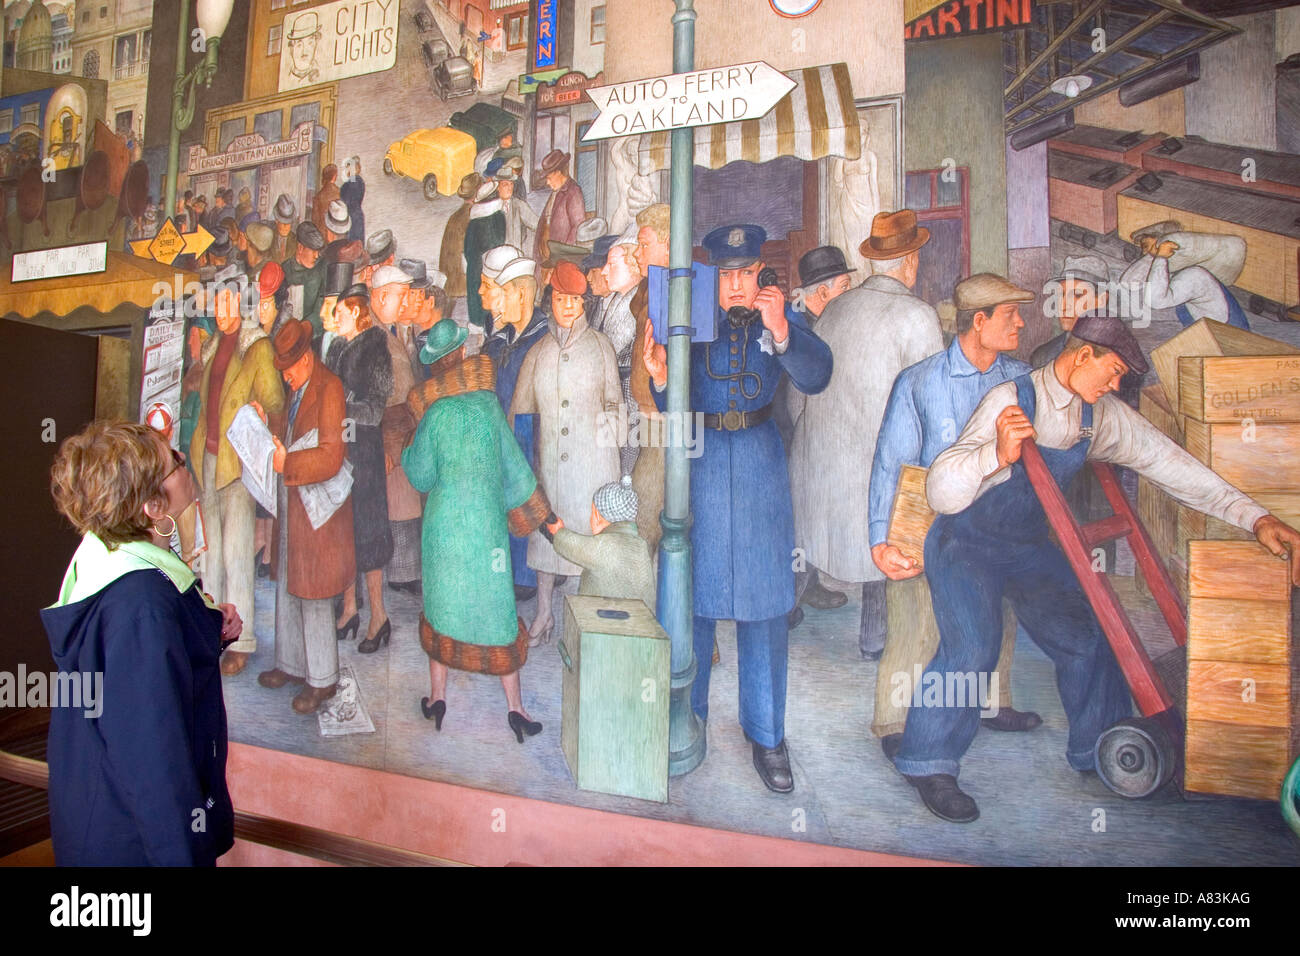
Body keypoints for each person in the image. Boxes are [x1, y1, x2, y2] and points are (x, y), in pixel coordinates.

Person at [897, 313, 1300, 822]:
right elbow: (940, 490)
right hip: (965, 543)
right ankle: (928, 761)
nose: (1115, 385)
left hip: (1024, 546)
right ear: (1082, 354)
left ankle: (1103, 750)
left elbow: (1172, 465)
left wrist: (1257, 517)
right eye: (1112, 372)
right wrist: (994, 455)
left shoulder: (1099, 415)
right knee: (972, 647)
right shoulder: (1010, 399)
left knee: (1088, 634)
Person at [642, 223, 833, 793]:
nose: (736, 285)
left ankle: (768, 734)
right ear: (711, 277)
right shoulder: (692, 323)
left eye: (747, 274)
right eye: (726, 275)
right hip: (698, 465)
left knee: (765, 607)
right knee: (691, 600)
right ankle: (686, 716)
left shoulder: (784, 321)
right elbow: (670, 397)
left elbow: (819, 374)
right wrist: (659, 380)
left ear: (762, 276)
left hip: (758, 468)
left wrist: (780, 331)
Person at [42, 420, 238, 865]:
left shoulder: (107, 561)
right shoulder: (142, 605)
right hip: (136, 846)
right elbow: (154, 759)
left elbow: (131, 696)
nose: (185, 462)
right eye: (175, 461)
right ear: (152, 505)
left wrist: (205, 630)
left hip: (104, 819)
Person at [868, 273, 1044, 760]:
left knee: (997, 614)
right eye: (1011, 316)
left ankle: (993, 703)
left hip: (996, 520)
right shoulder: (920, 381)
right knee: (916, 620)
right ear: (979, 321)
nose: (1021, 324)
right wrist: (879, 538)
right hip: (924, 516)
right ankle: (894, 721)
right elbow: (889, 463)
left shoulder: (1020, 380)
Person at [787, 210, 942, 659]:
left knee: (810, 543)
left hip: (818, 463)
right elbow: (930, 405)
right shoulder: (918, 316)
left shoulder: (836, 308)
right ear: (911, 261)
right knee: (891, 522)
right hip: (868, 468)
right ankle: (875, 638)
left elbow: (806, 392)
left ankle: (782, 612)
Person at [402, 318, 554, 741]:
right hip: (486, 530)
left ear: (435, 365)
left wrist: (407, 449)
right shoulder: (488, 406)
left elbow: (420, 476)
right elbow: (513, 467)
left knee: (441, 613)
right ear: (462, 356)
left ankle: (438, 700)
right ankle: (516, 709)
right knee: (497, 613)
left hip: (444, 533)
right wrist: (542, 514)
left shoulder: (434, 413)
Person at [511, 260, 622, 642]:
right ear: (550, 302)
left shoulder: (601, 347)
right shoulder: (538, 352)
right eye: (561, 299)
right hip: (550, 464)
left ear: (584, 303)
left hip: (592, 467)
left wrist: (608, 464)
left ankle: (579, 623)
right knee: (546, 542)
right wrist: (524, 461)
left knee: (584, 547)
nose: (569, 307)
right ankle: (543, 614)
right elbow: (521, 411)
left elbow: (614, 406)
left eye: (575, 300)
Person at [255, 319, 356, 714]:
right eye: (283, 371)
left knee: (313, 595)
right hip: (293, 504)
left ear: (308, 357)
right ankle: (291, 665)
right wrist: (268, 426)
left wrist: (287, 461)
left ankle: (322, 680)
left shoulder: (329, 388)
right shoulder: (298, 387)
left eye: (291, 369)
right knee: (287, 587)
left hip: (318, 511)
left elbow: (332, 456)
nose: (288, 377)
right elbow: (291, 428)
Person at [189, 275, 286, 676]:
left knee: (236, 550)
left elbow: (276, 399)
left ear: (242, 304)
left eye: (225, 303)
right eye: (215, 303)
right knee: (209, 552)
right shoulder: (213, 344)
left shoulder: (257, 345)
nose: (218, 310)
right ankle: (211, 630)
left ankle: (241, 639)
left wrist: (262, 412)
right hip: (208, 458)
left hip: (238, 459)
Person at [781, 245, 855, 618]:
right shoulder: (798, 326)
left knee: (809, 520)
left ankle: (807, 588)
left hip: (812, 438)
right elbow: (797, 401)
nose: (850, 295)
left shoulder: (823, 323)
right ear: (822, 294)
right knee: (795, 524)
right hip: (787, 440)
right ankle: (787, 604)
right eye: (845, 286)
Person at [322, 285, 394, 652]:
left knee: (369, 533)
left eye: (341, 312)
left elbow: (376, 408)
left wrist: (341, 409)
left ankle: (378, 615)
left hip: (364, 450)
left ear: (357, 313)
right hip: (339, 448)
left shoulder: (376, 347)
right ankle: (350, 608)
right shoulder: (335, 347)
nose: (335, 318)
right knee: (344, 531)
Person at [481, 246, 545, 600]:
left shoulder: (543, 339)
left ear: (518, 293)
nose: (483, 296)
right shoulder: (499, 339)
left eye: (489, 288)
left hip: (528, 441)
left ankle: (525, 577)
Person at [371, 263, 424, 593]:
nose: (404, 304)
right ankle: (402, 576)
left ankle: (405, 574)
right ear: (379, 297)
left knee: (405, 503)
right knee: (398, 505)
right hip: (389, 432)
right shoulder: (376, 338)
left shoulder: (392, 331)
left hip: (403, 429)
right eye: (399, 297)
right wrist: (379, 443)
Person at [543, 475, 655, 611]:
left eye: (592, 513)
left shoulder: (604, 546)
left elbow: (573, 545)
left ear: (598, 517)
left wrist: (558, 531)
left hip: (608, 622)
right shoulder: (640, 545)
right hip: (640, 619)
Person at [628, 203, 670, 551]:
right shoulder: (650, 288)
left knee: (648, 517)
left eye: (644, 244)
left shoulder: (675, 292)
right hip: (648, 418)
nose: (636, 253)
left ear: (669, 245)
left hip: (665, 422)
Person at [1119, 222, 1250, 330]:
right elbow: (1129, 283)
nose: (1144, 252)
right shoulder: (1172, 270)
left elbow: (1156, 300)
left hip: (1228, 336)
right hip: (1205, 333)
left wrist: (1160, 257)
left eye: (1146, 246)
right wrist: (1153, 257)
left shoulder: (1194, 276)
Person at [534, 149, 585, 283]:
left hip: (559, 260)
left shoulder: (573, 192)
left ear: (558, 172)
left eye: (549, 177)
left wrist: (561, 258)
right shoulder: (555, 192)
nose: (547, 182)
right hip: (546, 257)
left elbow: (577, 227)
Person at [464, 178, 506, 336]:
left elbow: (468, 248)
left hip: (476, 266)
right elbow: (501, 240)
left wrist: (472, 261)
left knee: (477, 295)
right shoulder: (500, 217)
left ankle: (478, 324)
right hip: (494, 264)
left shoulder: (474, 223)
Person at [440, 172, 481, 306]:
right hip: (465, 288)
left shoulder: (455, 217)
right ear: (477, 193)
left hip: (451, 285)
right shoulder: (473, 217)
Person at [491, 160, 538, 253]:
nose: (509, 188)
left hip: (514, 258)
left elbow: (536, 224)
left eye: (511, 184)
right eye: (505, 184)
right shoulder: (490, 207)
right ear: (497, 187)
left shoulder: (519, 205)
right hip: (494, 259)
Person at [341, 155, 366, 243]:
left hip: (350, 216)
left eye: (348, 168)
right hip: (358, 215)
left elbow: (345, 201)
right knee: (358, 245)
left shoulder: (348, 184)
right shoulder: (361, 181)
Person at [313, 163, 341, 235]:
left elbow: (315, 220)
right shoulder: (339, 193)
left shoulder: (318, 196)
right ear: (334, 176)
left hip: (321, 234)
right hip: (336, 233)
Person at [271, 194, 298, 263]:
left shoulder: (295, 241)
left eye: (289, 223)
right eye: (283, 223)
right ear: (277, 221)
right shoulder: (269, 237)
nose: (286, 226)